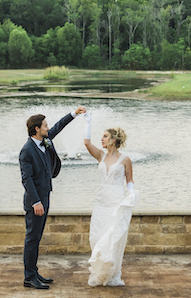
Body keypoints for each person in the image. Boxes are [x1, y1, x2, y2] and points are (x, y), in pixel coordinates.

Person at [19, 105, 86, 290]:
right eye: (45, 126)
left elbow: (59, 126)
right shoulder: (26, 151)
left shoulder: (46, 140)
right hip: (36, 202)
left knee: (37, 237)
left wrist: (74, 113)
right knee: (32, 238)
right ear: (36, 129)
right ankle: (29, 277)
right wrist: (36, 202)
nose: (48, 128)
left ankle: (33, 272)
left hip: (45, 196)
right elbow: (27, 179)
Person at [82, 112, 139, 287]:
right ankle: (100, 272)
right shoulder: (101, 155)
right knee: (97, 237)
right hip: (101, 202)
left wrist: (131, 193)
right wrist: (88, 123)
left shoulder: (125, 159)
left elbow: (129, 179)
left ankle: (112, 274)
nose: (102, 139)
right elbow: (86, 143)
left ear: (114, 140)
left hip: (116, 202)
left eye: (105, 136)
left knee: (113, 238)